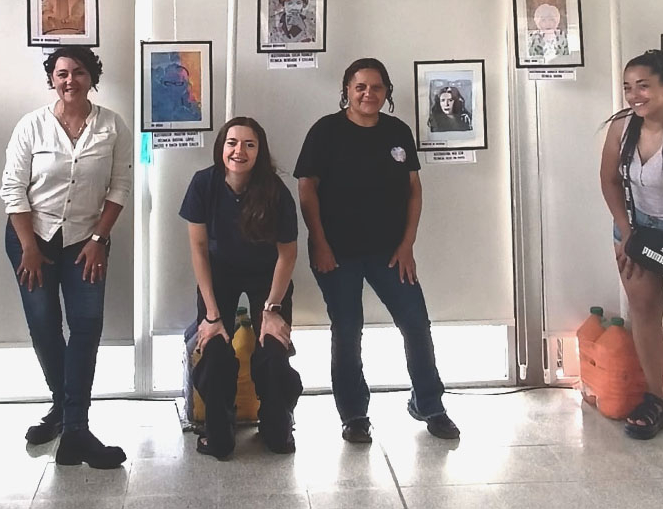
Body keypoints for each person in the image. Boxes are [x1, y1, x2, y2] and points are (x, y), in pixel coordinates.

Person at [294, 57, 460, 443]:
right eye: (360, 87)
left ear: (386, 92)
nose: (368, 93)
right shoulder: (326, 131)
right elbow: (306, 188)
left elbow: (414, 190)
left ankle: (429, 405)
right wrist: (320, 243)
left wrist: (407, 245)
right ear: (347, 91)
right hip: (336, 252)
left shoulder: (397, 131)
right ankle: (354, 415)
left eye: (376, 87)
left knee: (415, 323)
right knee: (347, 329)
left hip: (390, 251)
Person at [0, 45, 132, 468]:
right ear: (51, 80)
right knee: (43, 326)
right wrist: (29, 248)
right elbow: (13, 189)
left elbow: (119, 187)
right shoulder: (32, 125)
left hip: (86, 241)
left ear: (91, 77)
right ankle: (63, 409)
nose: (70, 80)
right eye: (61, 73)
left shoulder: (112, 126)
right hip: (31, 238)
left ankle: (76, 427)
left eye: (78, 72)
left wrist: (98, 239)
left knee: (87, 326)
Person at [180, 117, 303, 459]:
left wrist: (272, 310)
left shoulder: (275, 191)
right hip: (219, 274)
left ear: (260, 151)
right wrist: (211, 314)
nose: (239, 151)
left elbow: (288, 254)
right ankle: (219, 433)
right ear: (221, 147)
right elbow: (199, 250)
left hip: (267, 275)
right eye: (232, 143)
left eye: (249, 144)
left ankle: (277, 426)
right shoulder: (204, 183)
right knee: (215, 348)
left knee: (273, 348)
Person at [599, 49, 663, 440]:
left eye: (643, 86)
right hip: (637, 227)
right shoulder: (622, 127)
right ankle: (657, 401)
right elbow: (608, 180)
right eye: (628, 87)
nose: (634, 95)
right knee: (645, 313)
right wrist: (626, 232)